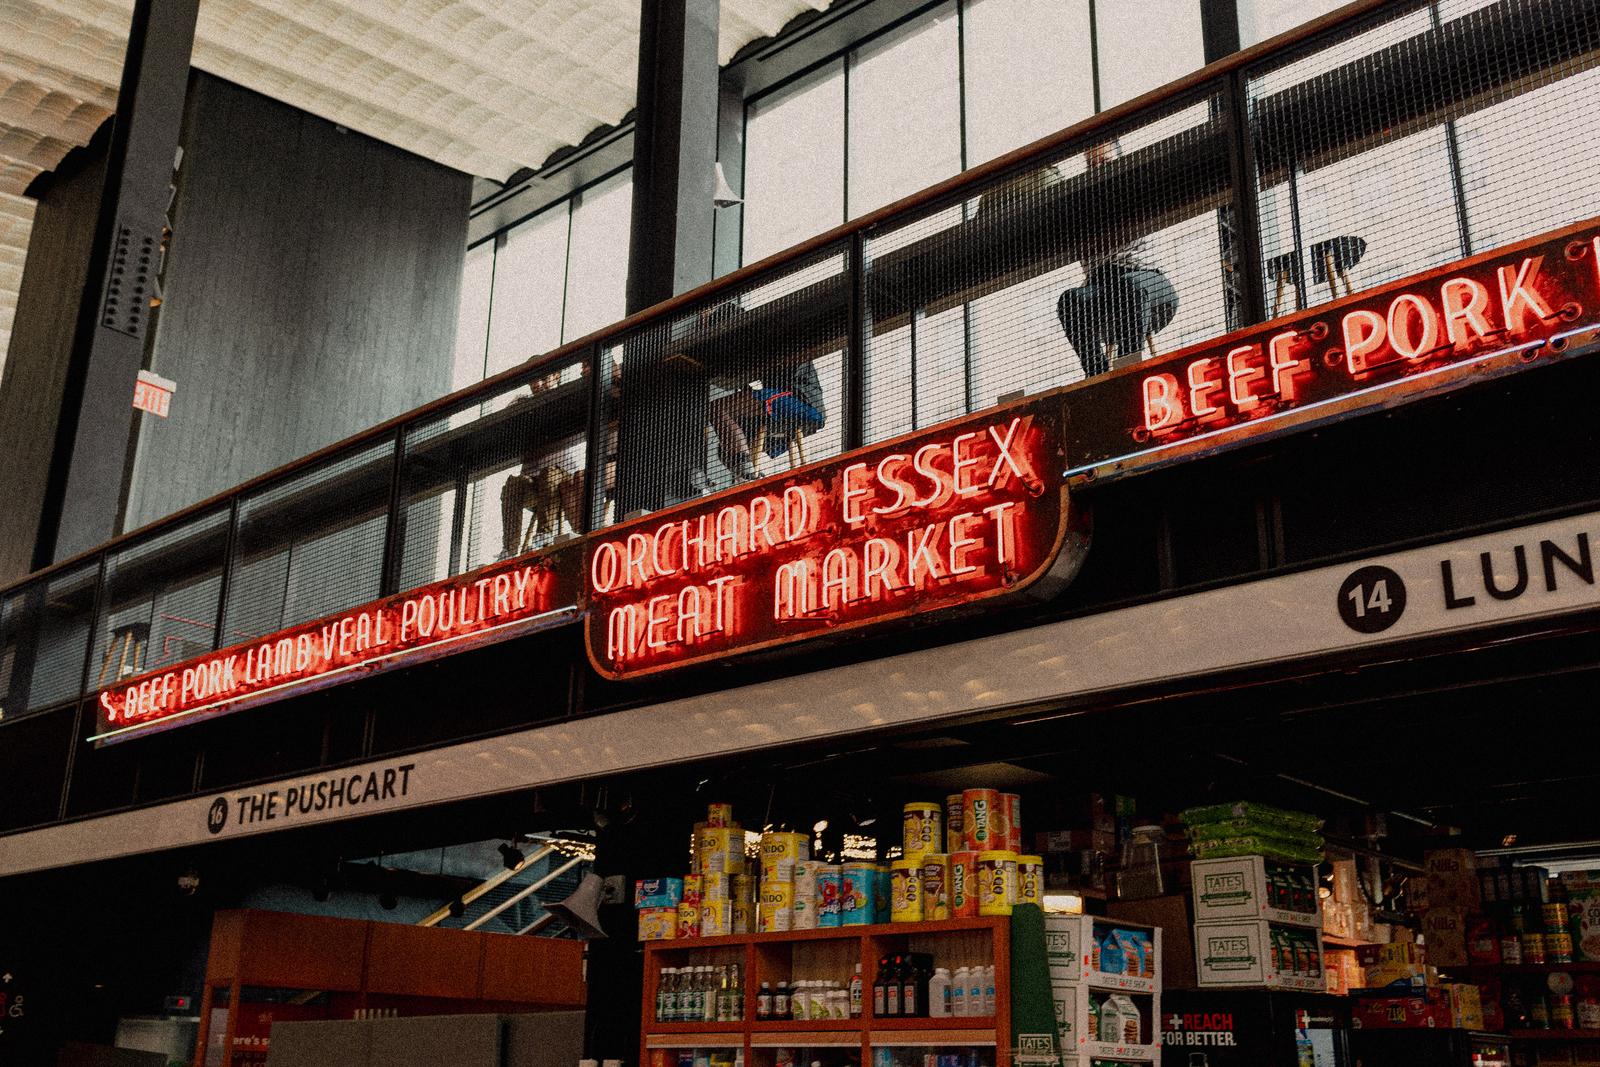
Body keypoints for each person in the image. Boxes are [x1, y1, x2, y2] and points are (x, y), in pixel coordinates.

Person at [1056, 141, 1178, 378]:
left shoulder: (1135, 189)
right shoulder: (1083, 208)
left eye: (1106, 161)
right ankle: (1097, 375)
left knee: (1128, 287)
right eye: (1092, 165)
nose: (1099, 169)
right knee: (1069, 300)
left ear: (1120, 161)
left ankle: (1128, 371)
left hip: (1148, 283)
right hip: (1102, 289)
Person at [498, 382, 583, 558]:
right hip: (532, 481)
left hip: (560, 475)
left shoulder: (563, 398)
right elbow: (504, 420)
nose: (539, 383)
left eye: (545, 379)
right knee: (513, 483)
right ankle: (509, 549)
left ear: (556, 377)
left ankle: (544, 534)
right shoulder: (524, 403)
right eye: (535, 380)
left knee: (548, 473)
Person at [709, 360, 826, 483]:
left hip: (799, 399)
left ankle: (748, 473)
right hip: (788, 411)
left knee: (717, 408)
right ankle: (748, 475)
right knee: (724, 447)